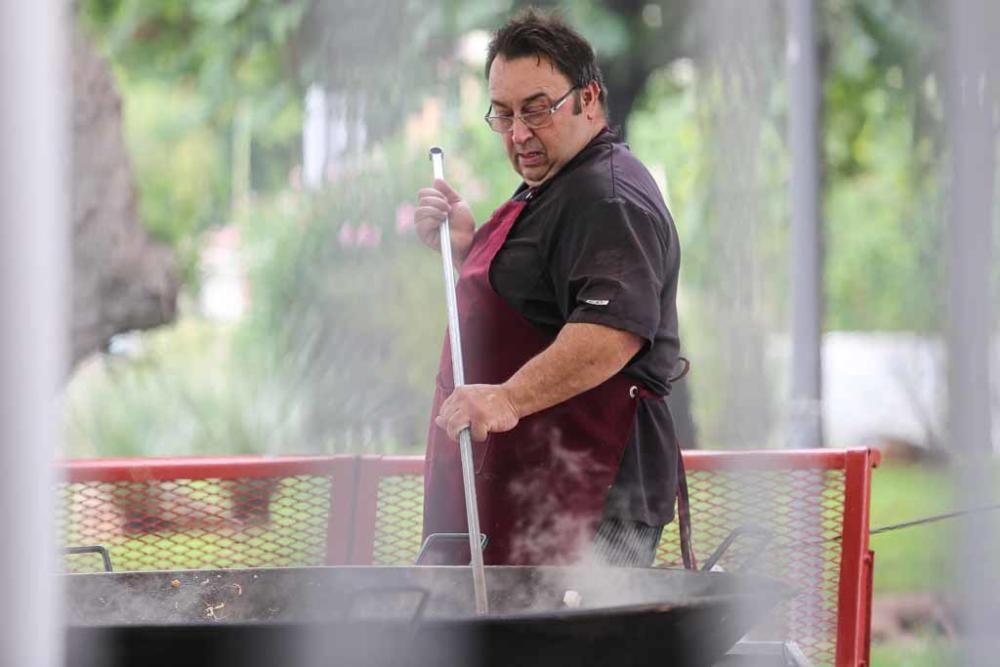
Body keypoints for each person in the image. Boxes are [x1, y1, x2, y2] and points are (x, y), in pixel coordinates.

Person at [414, 9, 688, 568]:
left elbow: (612, 331)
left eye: (537, 109)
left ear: (588, 100)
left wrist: (506, 397)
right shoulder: (556, 183)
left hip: (593, 496)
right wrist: (468, 248)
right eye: (504, 114)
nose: (518, 133)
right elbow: (538, 300)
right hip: (532, 485)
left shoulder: (608, 197)